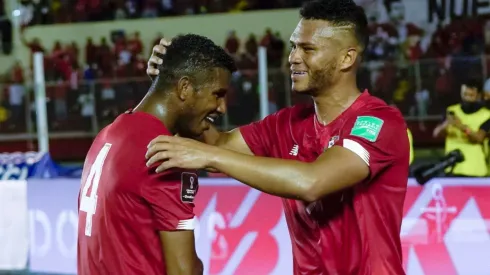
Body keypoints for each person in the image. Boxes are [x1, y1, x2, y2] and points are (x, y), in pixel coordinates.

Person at [146, 1, 409, 274]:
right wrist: (170, 86)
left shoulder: (378, 121)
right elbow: (217, 144)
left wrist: (210, 156)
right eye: (294, 46)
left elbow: (313, 182)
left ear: (347, 58)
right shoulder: (288, 123)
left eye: (308, 49)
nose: (293, 57)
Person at [77, 34, 236, 275]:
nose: (222, 108)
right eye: (218, 94)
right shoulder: (166, 154)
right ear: (184, 88)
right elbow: (184, 271)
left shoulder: (108, 134)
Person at [433, 80, 490, 177]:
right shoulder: (451, 111)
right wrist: (446, 124)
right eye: (465, 94)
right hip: (452, 168)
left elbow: (479, 138)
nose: (467, 98)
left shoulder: (486, 115)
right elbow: (436, 134)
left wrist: (461, 126)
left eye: (471, 95)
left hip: (475, 169)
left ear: (479, 95)